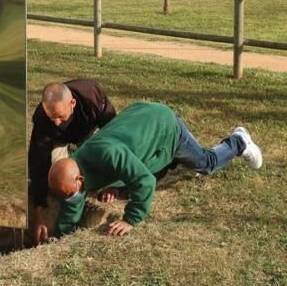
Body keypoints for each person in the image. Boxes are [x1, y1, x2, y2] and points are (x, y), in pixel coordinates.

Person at [47, 101, 262, 237]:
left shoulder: (107, 154)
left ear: (79, 179)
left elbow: (145, 181)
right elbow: (73, 203)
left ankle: (239, 141)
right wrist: (59, 236)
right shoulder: (75, 164)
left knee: (206, 163)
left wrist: (130, 219)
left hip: (164, 127)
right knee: (130, 182)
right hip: (139, 117)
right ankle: (174, 161)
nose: (69, 198)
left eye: (69, 193)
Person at [28, 79, 116, 244]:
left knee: (102, 153)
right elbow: (37, 163)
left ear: (73, 103)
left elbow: (114, 135)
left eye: (60, 116)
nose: (56, 122)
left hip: (89, 131)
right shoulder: (42, 118)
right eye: (51, 117)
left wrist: (115, 183)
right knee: (56, 175)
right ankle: (69, 199)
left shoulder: (92, 96)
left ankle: (92, 185)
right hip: (59, 140)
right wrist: (39, 211)